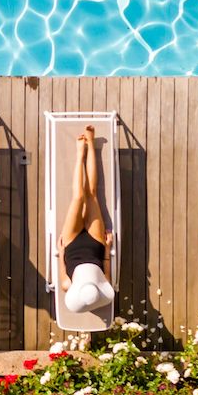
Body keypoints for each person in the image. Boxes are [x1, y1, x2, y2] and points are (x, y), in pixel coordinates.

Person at [59, 125, 114, 313]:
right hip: (96, 244)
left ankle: (79, 154)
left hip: (72, 242)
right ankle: (90, 144)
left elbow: (63, 265)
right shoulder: (103, 285)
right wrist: (107, 247)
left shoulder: (67, 285)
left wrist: (61, 251)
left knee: (78, 197)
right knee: (91, 194)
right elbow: (106, 262)